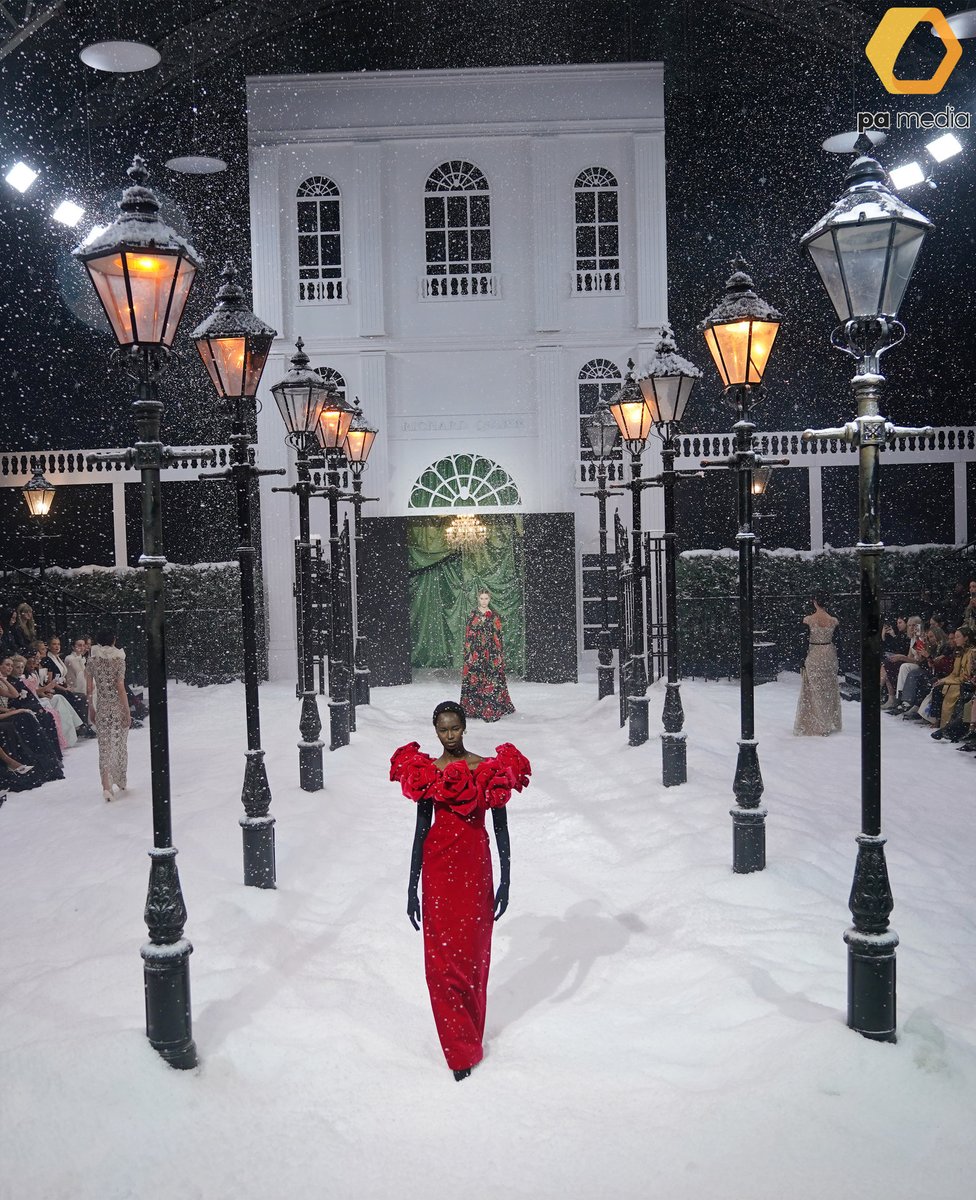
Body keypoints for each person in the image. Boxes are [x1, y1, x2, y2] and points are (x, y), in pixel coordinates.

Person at [391, 701, 530, 1081]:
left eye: (454, 728)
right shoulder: (427, 773)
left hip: (475, 869)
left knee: (472, 959)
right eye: (443, 729)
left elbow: (501, 827)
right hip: (438, 870)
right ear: (435, 731)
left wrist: (506, 878)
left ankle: (470, 1037)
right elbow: (420, 831)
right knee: (440, 966)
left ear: (464, 727)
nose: (449, 735)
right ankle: (459, 1050)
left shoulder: (487, 769)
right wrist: (412, 887)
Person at [87, 627, 130, 802]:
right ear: (114, 640)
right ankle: (120, 779)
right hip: (117, 706)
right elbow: (120, 687)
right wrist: (127, 711)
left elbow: (89, 688)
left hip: (102, 707)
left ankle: (106, 785)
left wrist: (91, 708)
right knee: (118, 743)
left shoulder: (92, 661)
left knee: (104, 746)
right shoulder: (119, 660)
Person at [460, 588, 515, 722]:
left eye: (486, 598)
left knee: (491, 680)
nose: (484, 601)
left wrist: (498, 654)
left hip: (491, 653)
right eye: (481, 598)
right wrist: (469, 654)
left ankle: (490, 709)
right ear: (478, 599)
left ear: (489, 599)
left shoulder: (494, 616)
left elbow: (498, 636)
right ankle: (476, 708)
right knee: (476, 678)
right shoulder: (473, 615)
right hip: (476, 653)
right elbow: (468, 636)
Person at [793, 593, 842, 737]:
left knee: (813, 689)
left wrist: (801, 659)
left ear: (814, 602)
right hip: (829, 655)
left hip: (814, 653)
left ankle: (816, 723)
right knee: (829, 689)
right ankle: (827, 721)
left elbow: (802, 643)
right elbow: (839, 643)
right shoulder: (834, 621)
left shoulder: (808, 620)